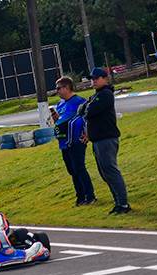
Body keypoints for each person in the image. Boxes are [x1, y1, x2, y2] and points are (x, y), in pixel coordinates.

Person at [82, 68, 131, 214]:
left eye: (97, 78)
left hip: (106, 138)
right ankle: (117, 202)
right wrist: (86, 107)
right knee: (104, 173)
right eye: (92, 79)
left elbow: (88, 111)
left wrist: (87, 108)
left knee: (110, 170)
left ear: (105, 78)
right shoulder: (96, 95)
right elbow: (82, 109)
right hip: (97, 139)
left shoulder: (106, 94)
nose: (94, 81)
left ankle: (123, 203)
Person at [52, 76, 95, 206]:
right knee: (72, 170)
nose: (57, 91)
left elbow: (87, 118)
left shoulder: (79, 101)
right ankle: (80, 196)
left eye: (59, 88)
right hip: (64, 141)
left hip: (77, 140)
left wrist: (88, 134)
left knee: (79, 168)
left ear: (66, 88)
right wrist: (55, 118)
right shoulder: (60, 104)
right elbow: (61, 121)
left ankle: (90, 195)